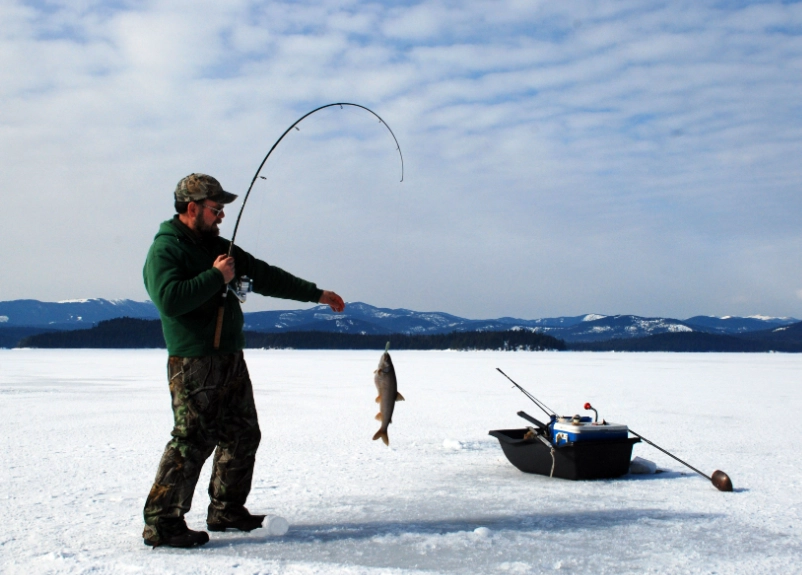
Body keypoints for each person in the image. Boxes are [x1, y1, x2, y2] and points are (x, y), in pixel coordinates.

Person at [141, 173, 345, 548]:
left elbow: (264, 275)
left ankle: (226, 509)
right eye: (215, 209)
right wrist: (215, 276)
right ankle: (161, 522)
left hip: (229, 358)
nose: (221, 216)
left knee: (242, 433)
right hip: (194, 361)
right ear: (192, 208)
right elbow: (169, 299)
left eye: (221, 209)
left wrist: (316, 294)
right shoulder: (166, 250)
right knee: (191, 440)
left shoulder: (221, 246)